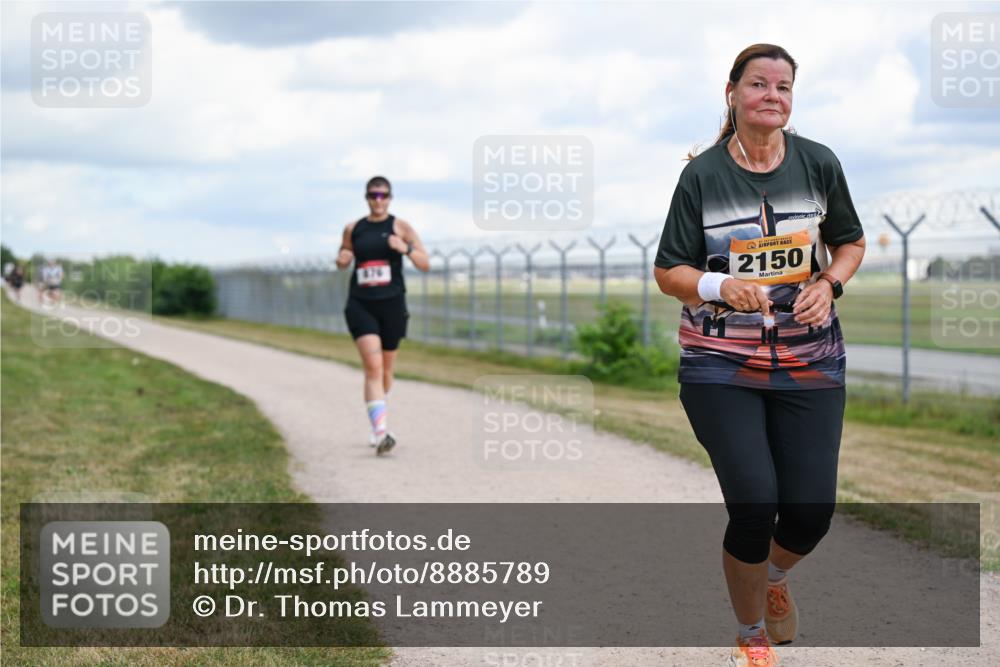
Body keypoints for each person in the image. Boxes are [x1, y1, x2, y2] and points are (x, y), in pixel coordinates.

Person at [653, 44, 866, 667]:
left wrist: (829, 284)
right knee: (753, 501)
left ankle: (771, 577)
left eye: (784, 86)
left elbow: (849, 244)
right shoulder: (702, 176)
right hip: (722, 364)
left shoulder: (819, 163)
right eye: (759, 84)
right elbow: (669, 271)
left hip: (810, 362)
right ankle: (749, 635)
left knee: (809, 513)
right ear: (733, 93)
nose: (772, 95)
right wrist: (720, 286)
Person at [336, 176, 430, 456]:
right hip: (361, 304)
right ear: (366, 197)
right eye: (373, 195)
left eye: (383, 195)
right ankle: (380, 434)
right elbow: (344, 256)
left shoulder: (401, 227)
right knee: (373, 368)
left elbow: (425, 264)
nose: (378, 200)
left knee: (386, 371)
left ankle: (379, 414)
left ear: (390, 197)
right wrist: (341, 259)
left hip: (392, 305)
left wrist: (407, 249)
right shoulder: (354, 229)